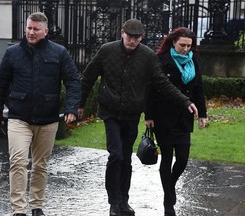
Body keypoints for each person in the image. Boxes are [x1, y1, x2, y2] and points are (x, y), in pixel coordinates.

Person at [78, 19, 198, 216]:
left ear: (141, 38)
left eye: (136, 38)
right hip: (110, 111)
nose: (132, 41)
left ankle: (124, 200)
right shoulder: (107, 50)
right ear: (122, 33)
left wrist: (185, 101)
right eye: (129, 36)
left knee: (126, 157)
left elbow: (162, 83)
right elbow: (88, 76)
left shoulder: (148, 56)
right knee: (115, 154)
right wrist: (80, 104)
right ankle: (114, 201)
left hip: (132, 114)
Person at [0, 12, 81, 216]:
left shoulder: (59, 53)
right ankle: (18, 209)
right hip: (18, 118)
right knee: (18, 161)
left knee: (40, 164)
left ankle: (36, 205)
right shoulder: (12, 53)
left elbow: (73, 81)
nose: (31, 32)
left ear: (45, 31)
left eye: (36, 29)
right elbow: (1, 84)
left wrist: (71, 108)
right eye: (29, 28)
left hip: (48, 119)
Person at [146, 27, 207, 216]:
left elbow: (198, 88)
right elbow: (151, 88)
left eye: (189, 46)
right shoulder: (161, 60)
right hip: (163, 115)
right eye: (182, 45)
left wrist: (203, 114)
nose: (186, 49)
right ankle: (168, 202)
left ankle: (170, 188)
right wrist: (148, 115)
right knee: (166, 158)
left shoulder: (194, 59)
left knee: (182, 159)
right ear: (173, 42)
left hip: (184, 116)